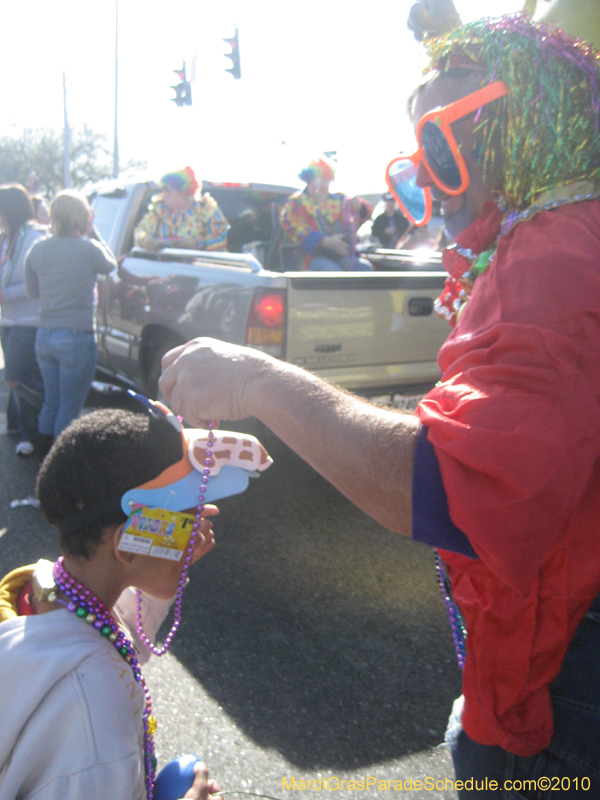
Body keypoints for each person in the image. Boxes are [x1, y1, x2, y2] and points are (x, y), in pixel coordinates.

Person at [159, 14, 600, 798]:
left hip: (560, 698)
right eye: (415, 157)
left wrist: (258, 380)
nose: (425, 175)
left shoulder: (554, 256)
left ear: (524, 122)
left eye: (440, 143)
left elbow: (453, 489)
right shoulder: (559, 235)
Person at [0, 404, 227, 800]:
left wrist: (166, 560)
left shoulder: (43, 592)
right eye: (187, 520)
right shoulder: (97, 712)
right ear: (126, 541)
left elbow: (118, 634)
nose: (200, 530)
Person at [25, 189, 117, 441]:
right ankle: (60, 459)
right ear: (83, 216)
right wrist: (93, 231)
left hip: (45, 334)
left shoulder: (38, 249)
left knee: (51, 402)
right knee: (69, 407)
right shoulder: (89, 249)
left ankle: (43, 455)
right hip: (77, 335)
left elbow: (32, 292)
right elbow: (111, 264)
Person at [0, 184, 47, 455]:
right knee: (19, 378)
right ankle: (27, 431)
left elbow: (37, 283)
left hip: (29, 320)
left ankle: (40, 424)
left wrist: (6, 294)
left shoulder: (35, 237)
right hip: (7, 319)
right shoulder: (6, 238)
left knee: (16, 377)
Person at [279, 156, 373, 270]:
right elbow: (292, 226)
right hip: (310, 257)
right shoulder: (296, 202)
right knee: (332, 272)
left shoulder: (339, 200)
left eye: (326, 181)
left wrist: (359, 206)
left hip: (341, 256)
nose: (323, 186)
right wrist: (324, 241)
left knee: (364, 268)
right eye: (319, 181)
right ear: (308, 181)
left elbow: (367, 213)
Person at [134, 167, 229, 253]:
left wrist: (198, 243)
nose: (163, 193)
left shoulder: (206, 210)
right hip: (163, 266)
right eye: (162, 189)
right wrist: (145, 240)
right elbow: (140, 230)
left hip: (201, 266)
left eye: (166, 189)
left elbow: (220, 239)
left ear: (183, 191)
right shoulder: (158, 212)